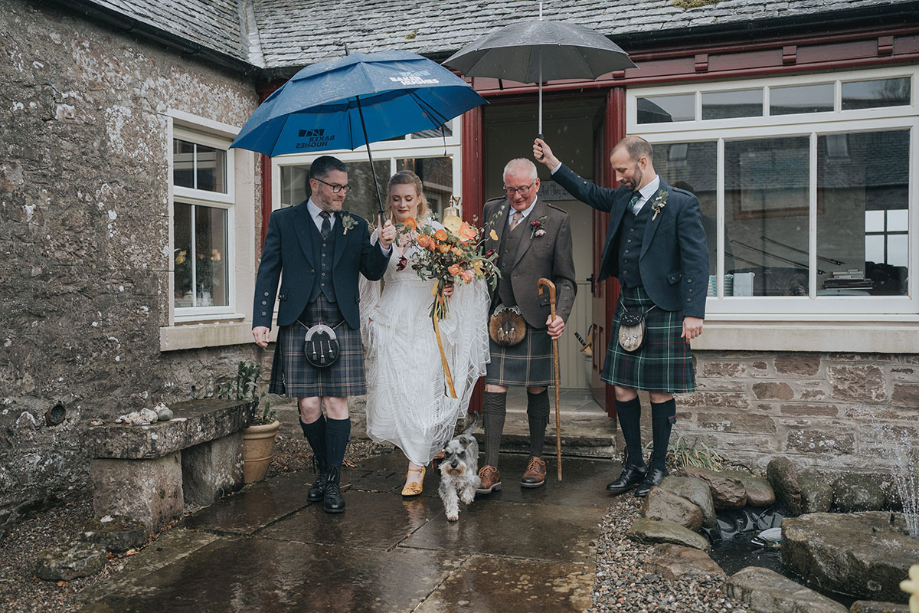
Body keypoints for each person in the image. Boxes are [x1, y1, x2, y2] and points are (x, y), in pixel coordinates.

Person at [533, 136, 708, 497]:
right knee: (623, 388)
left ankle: (658, 467)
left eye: (622, 169)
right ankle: (635, 464)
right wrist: (552, 162)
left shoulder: (679, 203)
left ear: (643, 163)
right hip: (630, 306)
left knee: (660, 391)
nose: (617, 177)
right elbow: (587, 191)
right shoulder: (622, 198)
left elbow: (696, 260)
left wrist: (694, 313)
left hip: (665, 308)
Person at [252, 155, 396, 514]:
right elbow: (269, 270)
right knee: (308, 405)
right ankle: (323, 469)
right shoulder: (284, 220)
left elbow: (373, 271)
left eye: (345, 187)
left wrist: (383, 245)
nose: (342, 193)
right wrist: (261, 318)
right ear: (314, 184)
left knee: (335, 403)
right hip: (299, 319)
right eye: (335, 187)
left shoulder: (356, 224)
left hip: (340, 320)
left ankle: (331, 479)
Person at [360, 171, 489, 496]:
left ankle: (415, 469)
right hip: (392, 319)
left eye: (408, 198)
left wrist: (450, 285)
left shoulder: (436, 233)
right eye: (396, 199)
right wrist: (372, 314)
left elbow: (457, 276)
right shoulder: (382, 235)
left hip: (426, 319)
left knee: (420, 391)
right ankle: (427, 449)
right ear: (389, 201)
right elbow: (369, 276)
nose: (402, 204)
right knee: (397, 393)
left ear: (419, 199)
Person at [476, 158, 577, 494]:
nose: (516, 196)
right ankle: (490, 466)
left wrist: (560, 314)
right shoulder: (492, 210)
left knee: (537, 388)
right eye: (510, 189)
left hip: (535, 316)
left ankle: (537, 458)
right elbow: (477, 262)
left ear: (536, 185)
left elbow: (566, 279)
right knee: (494, 390)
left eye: (522, 189)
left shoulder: (556, 220)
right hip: (496, 317)